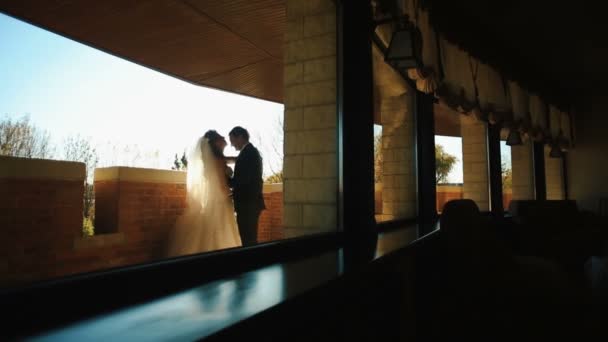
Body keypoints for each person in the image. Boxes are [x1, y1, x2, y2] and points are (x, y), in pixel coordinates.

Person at [167, 130, 241, 256]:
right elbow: (221, 181)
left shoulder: (210, 160)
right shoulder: (218, 160)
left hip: (213, 200)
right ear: (216, 142)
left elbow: (229, 160)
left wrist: (241, 158)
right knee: (220, 230)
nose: (225, 141)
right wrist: (229, 194)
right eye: (221, 138)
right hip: (221, 200)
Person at [228, 126, 265, 246]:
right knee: (249, 239)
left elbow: (242, 181)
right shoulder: (249, 152)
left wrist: (226, 177)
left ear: (240, 137)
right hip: (250, 204)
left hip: (248, 205)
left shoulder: (249, 153)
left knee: (248, 240)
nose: (232, 145)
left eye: (232, 141)